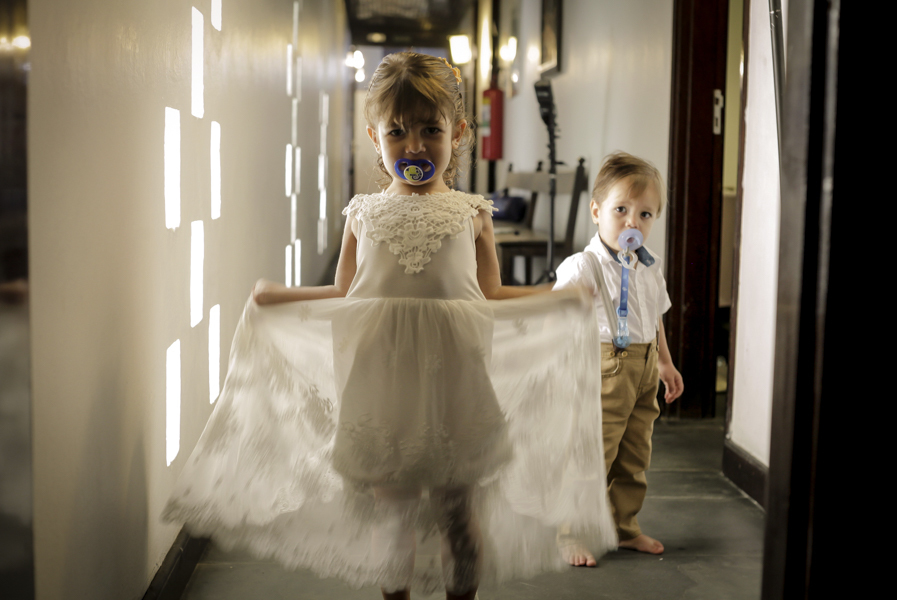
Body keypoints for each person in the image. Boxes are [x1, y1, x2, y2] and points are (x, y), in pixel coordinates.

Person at [163, 52, 616, 600]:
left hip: (455, 383)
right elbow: (344, 292)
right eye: (398, 132)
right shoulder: (362, 213)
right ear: (376, 138)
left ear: (458, 133)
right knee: (392, 517)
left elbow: (492, 294)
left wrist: (555, 297)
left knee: (457, 511)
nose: (416, 146)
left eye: (431, 129)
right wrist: (278, 296)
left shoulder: (473, 212)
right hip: (383, 388)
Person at [553, 152, 685, 566]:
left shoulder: (649, 266)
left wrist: (664, 361)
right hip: (602, 367)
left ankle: (623, 526)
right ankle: (569, 531)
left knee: (635, 453)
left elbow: (656, 316)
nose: (633, 222)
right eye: (621, 210)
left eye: (645, 214)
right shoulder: (583, 266)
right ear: (597, 211)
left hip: (644, 367)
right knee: (593, 453)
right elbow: (555, 320)